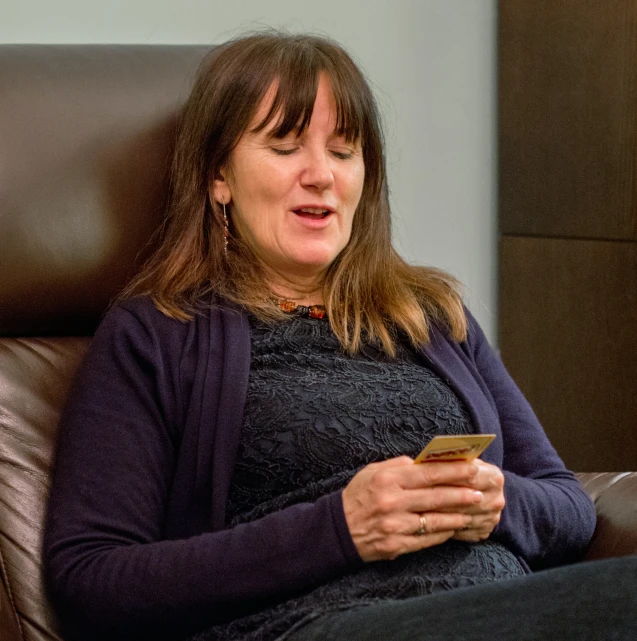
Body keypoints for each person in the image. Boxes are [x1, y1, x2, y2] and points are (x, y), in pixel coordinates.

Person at [43, 31, 637, 641]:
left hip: (495, 605)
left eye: (344, 150)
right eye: (285, 146)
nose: (321, 176)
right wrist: (339, 528)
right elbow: (92, 578)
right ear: (218, 174)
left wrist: (495, 500)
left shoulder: (430, 314)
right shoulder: (157, 333)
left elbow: (567, 507)